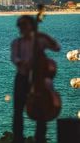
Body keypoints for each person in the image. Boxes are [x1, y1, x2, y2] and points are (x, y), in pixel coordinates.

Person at [11, 15, 60, 143]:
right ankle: (18, 139)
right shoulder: (17, 43)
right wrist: (24, 64)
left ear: (31, 27)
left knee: (42, 109)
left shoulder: (39, 40)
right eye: (21, 26)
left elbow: (57, 47)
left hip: (38, 79)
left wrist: (44, 36)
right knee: (18, 110)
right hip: (22, 77)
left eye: (25, 26)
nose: (22, 29)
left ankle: (40, 138)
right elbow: (15, 58)